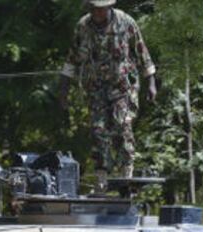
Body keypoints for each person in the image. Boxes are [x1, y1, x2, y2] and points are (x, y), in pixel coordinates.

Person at [59, 0, 157, 186]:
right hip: (95, 88)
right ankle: (101, 177)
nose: (98, 12)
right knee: (98, 130)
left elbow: (142, 51)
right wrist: (63, 90)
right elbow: (72, 59)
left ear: (109, 7)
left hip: (122, 87)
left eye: (101, 8)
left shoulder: (125, 22)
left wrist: (151, 82)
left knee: (122, 125)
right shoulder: (83, 26)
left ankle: (126, 173)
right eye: (94, 8)